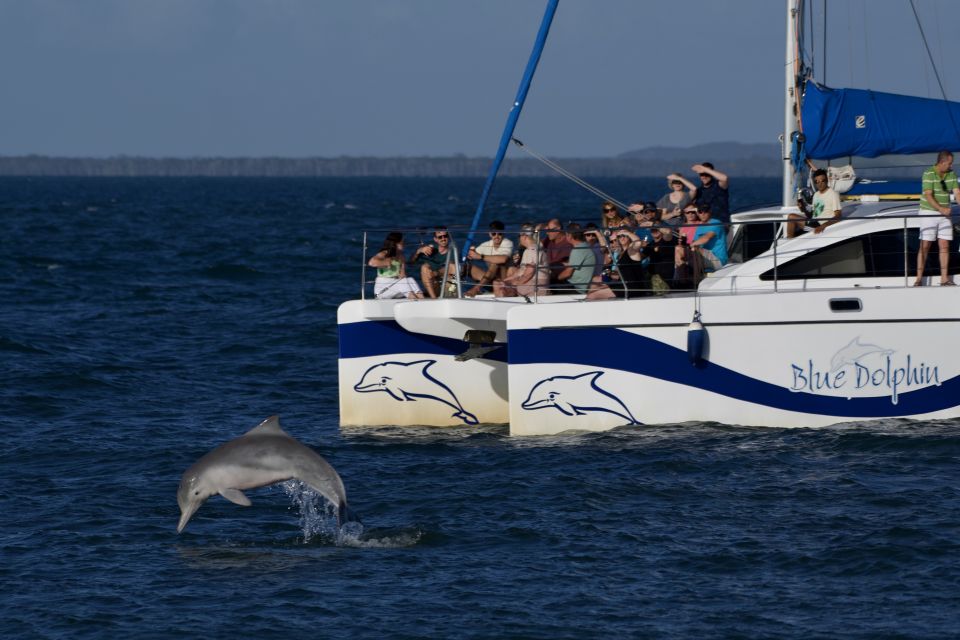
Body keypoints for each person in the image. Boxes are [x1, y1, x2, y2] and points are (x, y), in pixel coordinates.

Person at [915, 150, 960, 286]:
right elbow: (928, 195)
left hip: (945, 213)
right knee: (925, 245)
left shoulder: (951, 174)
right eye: (949, 163)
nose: (951, 166)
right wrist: (941, 209)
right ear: (942, 162)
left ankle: (944, 279)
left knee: (944, 245)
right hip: (929, 212)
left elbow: (957, 192)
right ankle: (918, 279)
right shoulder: (928, 173)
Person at [493, 223, 550, 298]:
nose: (519, 238)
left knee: (501, 288)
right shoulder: (528, 250)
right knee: (497, 283)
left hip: (535, 286)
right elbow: (521, 271)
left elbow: (528, 274)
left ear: (525, 237)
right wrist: (506, 280)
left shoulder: (533, 250)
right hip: (529, 283)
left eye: (520, 236)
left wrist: (515, 283)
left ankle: (503, 305)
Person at [786, 168, 842, 238]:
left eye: (822, 181)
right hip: (812, 222)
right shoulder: (816, 195)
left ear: (827, 180)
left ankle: (789, 243)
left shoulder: (833, 194)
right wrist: (803, 209)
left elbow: (838, 216)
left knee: (791, 217)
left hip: (820, 225)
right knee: (795, 231)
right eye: (817, 182)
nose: (820, 184)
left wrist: (824, 225)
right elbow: (812, 215)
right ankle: (790, 241)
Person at [367, 231, 424, 299]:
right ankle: (413, 299)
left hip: (396, 285)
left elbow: (402, 275)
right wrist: (385, 263)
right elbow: (371, 263)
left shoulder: (401, 256)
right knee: (403, 282)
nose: (404, 244)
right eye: (402, 242)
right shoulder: (384, 254)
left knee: (410, 280)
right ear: (395, 243)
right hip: (382, 289)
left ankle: (421, 299)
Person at [465, 220, 514, 297]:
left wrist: (481, 257)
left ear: (503, 234)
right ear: (490, 234)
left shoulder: (507, 243)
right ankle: (456, 287)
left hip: (505, 280)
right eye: (494, 233)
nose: (497, 236)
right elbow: (472, 254)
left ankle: (476, 288)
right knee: (469, 268)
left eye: (499, 233)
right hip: (492, 279)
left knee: (495, 263)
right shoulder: (486, 245)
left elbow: (503, 259)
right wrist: (470, 253)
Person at [410, 226, 457, 298]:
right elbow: (411, 263)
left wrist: (436, 273)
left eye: (445, 236)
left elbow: (452, 268)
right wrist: (418, 251)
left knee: (452, 267)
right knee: (424, 267)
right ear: (435, 239)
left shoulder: (453, 250)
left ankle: (450, 296)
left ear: (448, 237)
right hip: (434, 286)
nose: (443, 239)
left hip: (449, 287)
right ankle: (433, 298)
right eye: (440, 237)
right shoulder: (429, 249)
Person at [556, 224, 596, 295]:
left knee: (550, 283)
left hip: (576, 288)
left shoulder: (578, 249)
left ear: (570, 236)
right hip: (581, 286)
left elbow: (568, 272)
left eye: (566, 235)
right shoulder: (585, 246)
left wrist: (557, 277)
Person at [690, 204, 728, 270]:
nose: (703, 214)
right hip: (705, 258)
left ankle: (696, 278)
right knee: (679, 250)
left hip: (719, 260)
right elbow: (694, 241)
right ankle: (678, 279)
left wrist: (692, 245)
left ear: (710, 211)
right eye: (700, 212)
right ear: (697, 213)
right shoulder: (699, 227)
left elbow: (706, 238)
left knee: (694, 250)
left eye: (706, 211)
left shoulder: (716, 223)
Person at [542, 218, 573, 288]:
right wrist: (538, 228)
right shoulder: (549, 240)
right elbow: (534, 244)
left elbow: (559, 263)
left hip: (560, 279)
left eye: (549, 230)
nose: (547, 233)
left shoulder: (567, 243)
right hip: (548, 274)